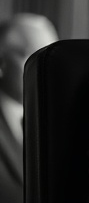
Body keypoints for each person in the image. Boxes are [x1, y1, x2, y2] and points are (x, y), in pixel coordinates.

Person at [0, 13, 58, 202]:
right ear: (2, 61)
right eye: (33, 57)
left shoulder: (58, 120)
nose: (45, 70)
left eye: (50, 60)